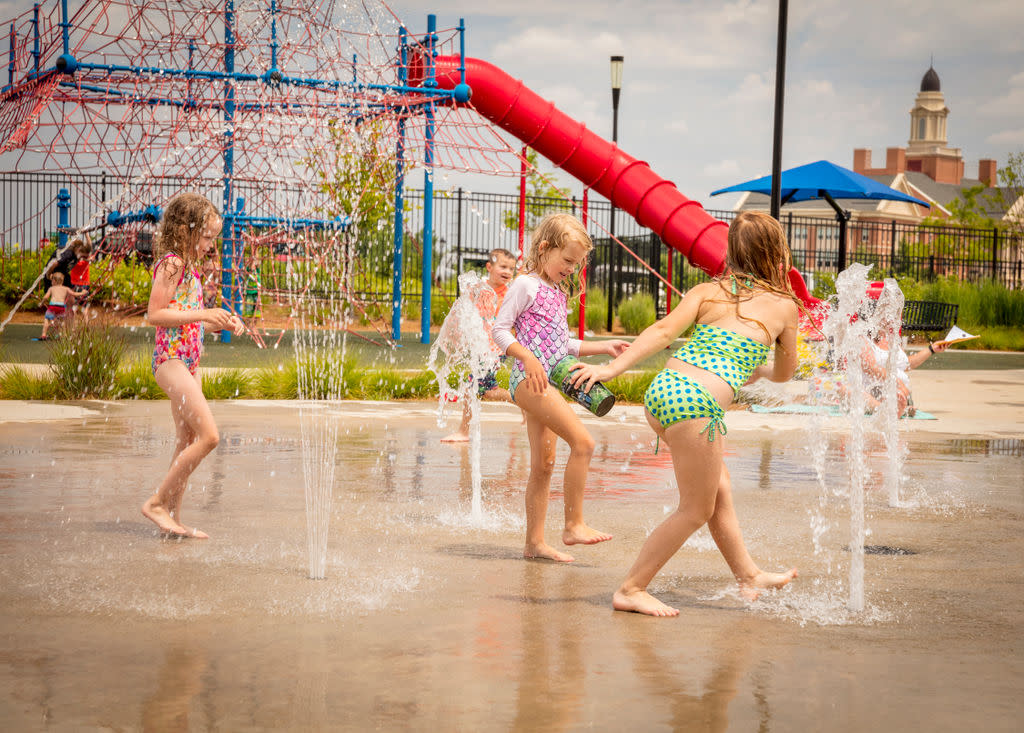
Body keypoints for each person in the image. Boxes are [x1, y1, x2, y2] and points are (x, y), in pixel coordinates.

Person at [570, 211, 801, 616]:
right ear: (776, 254)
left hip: (663, 393)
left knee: (719, 487)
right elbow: (784, 373)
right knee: (696, 508)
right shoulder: (784, 306)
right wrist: (754, 366)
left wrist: (611, 369)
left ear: (731, 251)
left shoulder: (707, 292)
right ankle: (632, 587)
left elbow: (662, 333)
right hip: (697, 405)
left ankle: (748, 575)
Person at [492, 213, 629, 562]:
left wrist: (605, 348)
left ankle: (534, 543)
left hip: (544, 380)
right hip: (528, 380)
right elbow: (500, 330)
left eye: (577, 263)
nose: (572, 268)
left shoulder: (554, 291)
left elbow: (560, 343)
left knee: (544, 465)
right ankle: (573, 525)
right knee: (583, 442)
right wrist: (527, 356)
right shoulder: (526, 285)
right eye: (567, 260)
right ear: (544, 249)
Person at [141, 192, 243, 539]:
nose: (210, 245)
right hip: (170, 362)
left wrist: (220, 322)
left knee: (186, 442)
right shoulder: (172, 263)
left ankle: (173, 519)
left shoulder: (189, 268)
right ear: (186, 230)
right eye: (206, 237)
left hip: (188, 362)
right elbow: (154, 314)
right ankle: (156, 503)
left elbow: (189, 321)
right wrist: (203, 312)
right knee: (210, 436)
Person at [442, 247, 517, 443]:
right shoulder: (479, 288)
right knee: (488, 390)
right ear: (489, 267)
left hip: (495, 349)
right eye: (503, 266)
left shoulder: (508, 294)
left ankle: (463, 432)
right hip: (483, 348)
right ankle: (523, 402)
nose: (508, 272)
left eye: (511, 269)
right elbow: (465, 313)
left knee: (472, 386)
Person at [38, 271, 74, 340]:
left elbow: (45, 297)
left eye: (51, 280)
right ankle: (63, 335)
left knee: (47, 320)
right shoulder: (65, 288)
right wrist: (82, 293)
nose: (51, 282)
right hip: (61, 307)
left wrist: (41, 303)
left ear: (54, 281)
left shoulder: (51, 288)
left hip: (52, 306)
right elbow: (74, 294)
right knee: (61, 321)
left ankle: (44, 334)